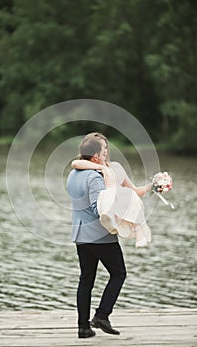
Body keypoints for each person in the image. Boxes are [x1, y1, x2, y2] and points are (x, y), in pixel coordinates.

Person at [67, 132, 127, 339]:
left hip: (80, 235)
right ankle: (102, 315)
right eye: (104, 150)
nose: (107, 153)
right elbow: (98, 209)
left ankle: (83, 328)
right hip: (99, 236)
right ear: (94, 156)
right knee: (119, 273)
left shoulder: (73, 174)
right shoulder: (94, 177)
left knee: (86, 280)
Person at [71, 150, 152, 248]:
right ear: (94, 155)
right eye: (101, 149)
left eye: (106, 147)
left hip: (121, 198)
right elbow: (75, 163)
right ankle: (108, 216)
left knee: (130, 195)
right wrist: (101, 167)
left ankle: (139, 232)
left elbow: (135, 190)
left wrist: (153, 186)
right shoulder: (91, 169)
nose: (105, 151)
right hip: (108, 199)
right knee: (112, 196)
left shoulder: (116, 166)